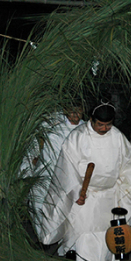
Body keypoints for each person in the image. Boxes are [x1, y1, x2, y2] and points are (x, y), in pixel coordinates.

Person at [39, 100, 131, 261]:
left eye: (108, 125)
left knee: (109, 241)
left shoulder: (117, 136)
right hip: (86, 200)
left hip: (110, 197)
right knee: (86, 242)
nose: (104, 129)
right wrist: (77, 193)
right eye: (100, 125)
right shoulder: (77, 137)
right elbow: (67, 169)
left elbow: (129, 164)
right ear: (91, 119)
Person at [28, 101, 85, 238]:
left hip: (71, 176)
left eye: (78, 110)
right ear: (65, 110)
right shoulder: (53, 123)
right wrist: (35, 154)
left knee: (67, 208)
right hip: (48, 171)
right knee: (37, 201)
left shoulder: (85, 128)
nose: (75, 114)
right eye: (71, 110)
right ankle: (43, 236)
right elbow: (33, 134)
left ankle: (63, 240)